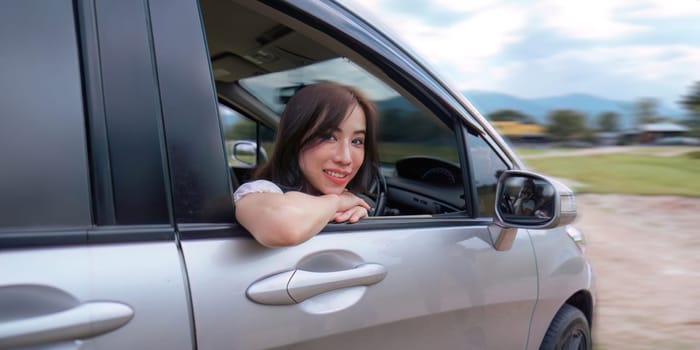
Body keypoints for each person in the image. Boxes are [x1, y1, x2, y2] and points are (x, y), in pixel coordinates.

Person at [233, 82, 379, 247]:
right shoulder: (261, 191)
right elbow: (285, 227)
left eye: (357, 141)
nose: (345, 158)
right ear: (296, 138)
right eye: (329, 137)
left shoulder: (348, 200)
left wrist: (355, 215)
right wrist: (336, 202)